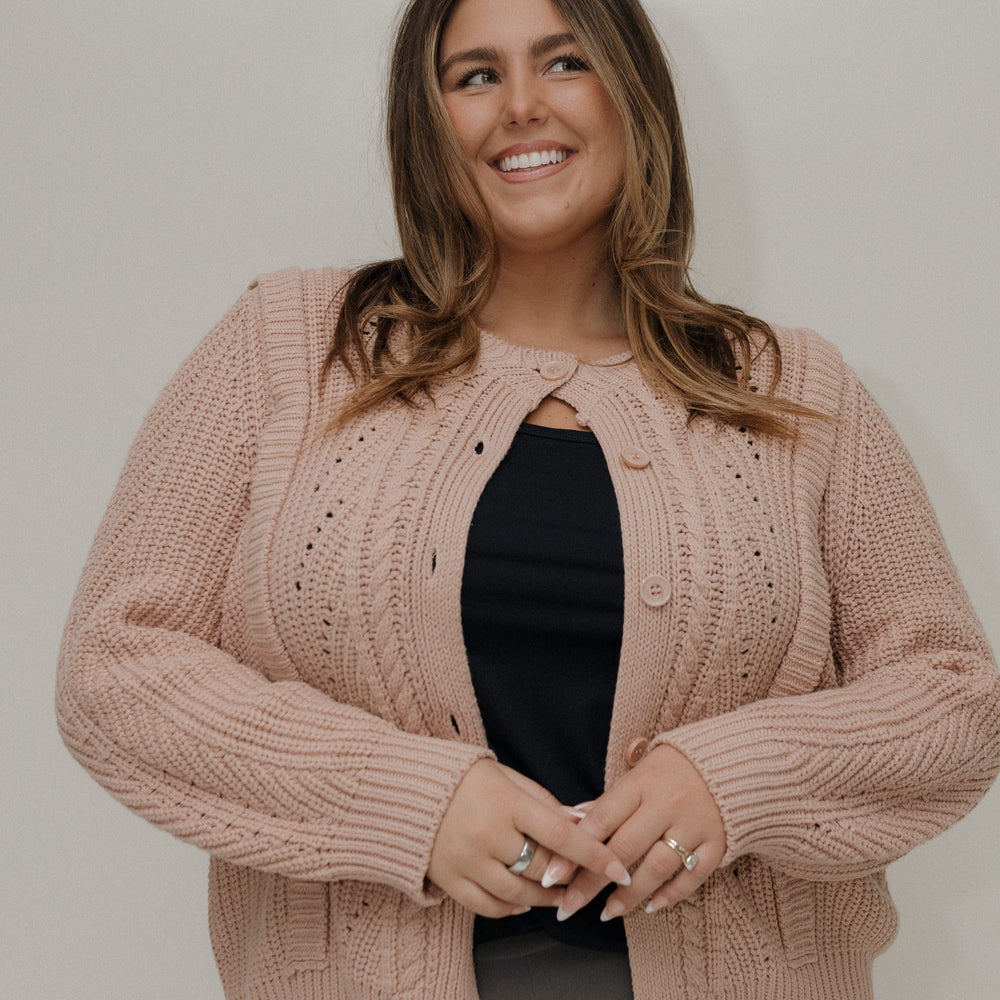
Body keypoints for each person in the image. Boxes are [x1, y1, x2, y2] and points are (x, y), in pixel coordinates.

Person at [55, 0, 1000, 997]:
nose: (517, 106)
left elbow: (950, 698)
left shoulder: (793, 388)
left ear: (631, 95)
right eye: (472, 76)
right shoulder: (292, 343)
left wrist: (739, 776)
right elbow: (118, 664)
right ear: (429, 126)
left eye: (562, 62)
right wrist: (407, 801)